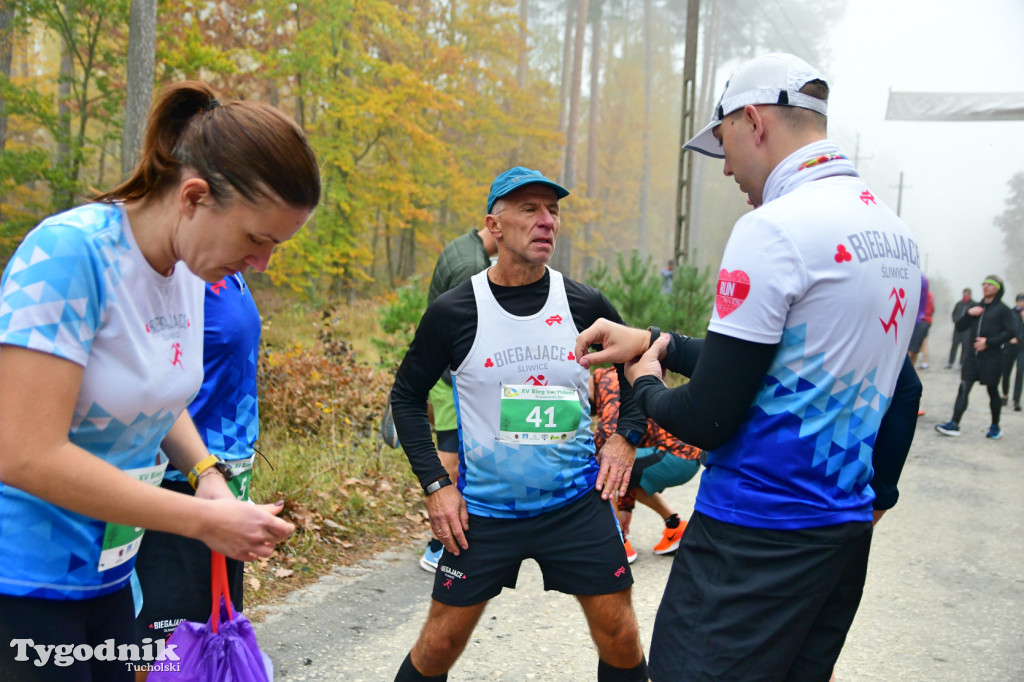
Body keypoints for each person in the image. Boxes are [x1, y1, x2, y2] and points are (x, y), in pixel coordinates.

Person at [574, 53, 923, 681]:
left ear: (755, 120)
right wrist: (658, 339)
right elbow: (878, 381)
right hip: (840, 542)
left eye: (726, 144)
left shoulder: (775, 229)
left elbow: (707, 416)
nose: (728, 166)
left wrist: (645, 382)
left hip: (753, 539)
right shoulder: (892, 232)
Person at [0, 81, 319, 681]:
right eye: (257, 239)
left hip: (113, 577)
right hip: (21, 584)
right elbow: (23, 453)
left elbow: (156, 394)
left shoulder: (187, 273)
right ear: (194, 197)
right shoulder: (69, 255)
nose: (262, 263)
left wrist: (207, 477)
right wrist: (201, 522)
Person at [389, 167, 649, 681]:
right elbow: (405, 396)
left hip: (575, 505)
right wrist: (437, 486)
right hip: (484, 514)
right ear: (495, 224)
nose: (546, 220)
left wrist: (625, 438)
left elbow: (640, 364)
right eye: (530, 209)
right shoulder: (455, 310)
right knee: (438, 644)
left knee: (621, 635)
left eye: (552, 211)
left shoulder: (584, 304)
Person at [132, 273, 262, 679]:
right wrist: (200, 467)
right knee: (159, 651)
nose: (265, 257)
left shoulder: (230, 266)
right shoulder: (181, 268)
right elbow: (153, 384)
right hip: (176, 484)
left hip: (224, 483)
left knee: (209, 642)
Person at [418, 227, 497, 572]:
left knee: (453, 455)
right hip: (449, 376)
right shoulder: (471, 266)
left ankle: (449, 533)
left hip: (442, 370)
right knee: (450, 459)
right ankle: (437, 544)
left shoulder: (464, 246)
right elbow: (465, 332)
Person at [590, 366, 702, 563]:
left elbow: (609, 432)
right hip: (688, 455)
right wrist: (625, 507)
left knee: (604, 465)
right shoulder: (622, 377)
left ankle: (616, 543)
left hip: (673, 454)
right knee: (623, 467)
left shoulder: (608, 379)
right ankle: (675, 527)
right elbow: (630, 459)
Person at [936, 275, 1018, 439]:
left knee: (992, 391)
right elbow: (960, 327)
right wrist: (968, 313)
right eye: (984, 284)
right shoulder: (976, 308)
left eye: (990, 284)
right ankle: (954, 423)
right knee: (964, 388)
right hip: (972, 357)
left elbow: (1011, 332)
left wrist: (989, 342)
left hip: (992, 358)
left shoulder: (1003, 310)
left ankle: (995, 426)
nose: (986, 287)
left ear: (998, 289)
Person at [999, 293, 1024, 410]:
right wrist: (1009, 339)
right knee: (1006, 372)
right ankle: (1004, 395)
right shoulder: (1010, 313)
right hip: (1009, 347)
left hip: (1022, 348)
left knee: (1019, 373)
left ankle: (1016, 400)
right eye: (1020, 301)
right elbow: (1004, 328)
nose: (1022, 303)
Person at [946, 288, 975, 369]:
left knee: (965, 346)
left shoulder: (973, 304)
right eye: (964, 294)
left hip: (967, 330)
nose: (965, 295)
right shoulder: (959, 304)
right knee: (954, 345)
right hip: (958, 328)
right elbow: (954, 314)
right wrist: (956, 320)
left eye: (967, 294)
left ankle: (962, 363)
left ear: (970, 295)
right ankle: (950, 362)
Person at [907, 273, 930, 368]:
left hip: (915, 322)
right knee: (914, 351)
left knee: (911, 351)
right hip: (922, 321)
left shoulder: (917, 277)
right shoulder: (922, 277)